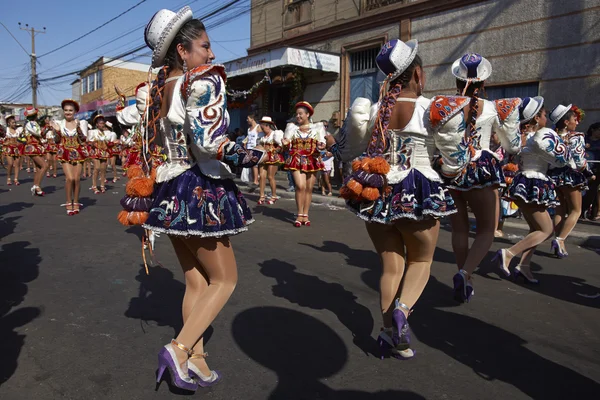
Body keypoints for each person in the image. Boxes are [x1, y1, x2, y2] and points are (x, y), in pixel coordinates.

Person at [117, 7, 265, 392]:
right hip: (201, 188)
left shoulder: (162, 87)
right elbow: (210, 141)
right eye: (205, 46)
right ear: (183, 51)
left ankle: (197, 361)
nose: (212, 55)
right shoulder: (201, 81)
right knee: (225, 280)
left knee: (196, 283)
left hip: (170, 187)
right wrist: (252, 154)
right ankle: (179, 348)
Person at [339, 39, 455, 359]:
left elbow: (350, 150)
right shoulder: (432, 107)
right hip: (418, 189)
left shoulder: (376, 110)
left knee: (390, 266)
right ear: (418, 74)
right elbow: (453, 159)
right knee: (421, 261)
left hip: (378, 190)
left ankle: (388, 331)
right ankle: (403, 311)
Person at [429, 53, 522, 302]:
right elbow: (511, 146)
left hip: (450, 169)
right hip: (482, 169)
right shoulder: (493, 108)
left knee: (458, 229)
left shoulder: (445, 106)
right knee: (487, 230)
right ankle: (465, 272)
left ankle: (464, 278)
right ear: (484, 84)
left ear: (457, 83)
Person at [493, 97, 569, 283]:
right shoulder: (542, 135)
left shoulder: (522, 137)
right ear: (536, 118)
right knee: (546, 230)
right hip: (534, 182)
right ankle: (509, 254)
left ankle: (524, 266)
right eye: (544, 115)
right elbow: (562, 159)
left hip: (523, 183)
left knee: (535, 228)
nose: (546, 119)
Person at [547, 104, 594, 257]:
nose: (577, 122)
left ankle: (558, 244)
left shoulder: (551, 136)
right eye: (575, 118)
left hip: (554, 175)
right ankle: (560, 240)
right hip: (570, 175)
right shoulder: (576, 136)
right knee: (576, 210)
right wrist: (588, 173)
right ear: (566, 122)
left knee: (559, 210)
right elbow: (579, 161)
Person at [283, 101, 326, 226]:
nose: (298, 116)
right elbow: (286, 143)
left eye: (300, 114)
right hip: (296, 158)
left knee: (308, 188)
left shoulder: (318, 127)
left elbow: (322, 143)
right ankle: (299, 212)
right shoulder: (291, 127)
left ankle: (304, 215)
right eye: (297, 114)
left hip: (312, 158)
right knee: (300, 186)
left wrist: (321, 146)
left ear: (307, 114)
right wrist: (285, 144)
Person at [52, 99, 89, 215]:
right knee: (70, 178)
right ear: (63, 111)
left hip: (78, 152)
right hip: (65, 152)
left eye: (70, 110)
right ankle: (69, 201)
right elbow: (57, 141)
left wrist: (78, 128)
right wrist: (57, 131)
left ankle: (76, 201)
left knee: (77, 179)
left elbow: (83, 139)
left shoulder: (81, 122)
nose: (68, 112)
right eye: (66, 110)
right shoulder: (59, 123)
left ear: (75, 111)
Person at [22, 107, 49, 196]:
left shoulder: (34, 123)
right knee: (44, 166)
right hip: (32, 147)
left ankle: (35, 186)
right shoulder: (30, 124)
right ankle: (37, 186)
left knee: (38, 168)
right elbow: (39, 133)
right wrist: (46, 128)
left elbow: (41, 136)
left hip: (36, 147)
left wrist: (46, 129)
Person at [257, 116, 283, 204]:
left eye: (263, 127)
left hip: (272, 157)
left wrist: (275, 151)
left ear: (267, 126)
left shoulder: (275, 134)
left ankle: (274, 195)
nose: (262, 128)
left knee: (270, 176)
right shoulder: (262, 136)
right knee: (261, 176)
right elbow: (259, 145)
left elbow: (281, 145)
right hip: (264, 156)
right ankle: (262, 196)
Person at [88, 115, 113, 193]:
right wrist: (94, 143)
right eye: (100, 123)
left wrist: (111, 143)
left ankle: (102, 185)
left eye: (103, 123)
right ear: (97, 124)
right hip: (95, 152)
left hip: (104, 153)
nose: (102, 125)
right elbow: (89, 142)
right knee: (97, 168)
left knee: (103, 170)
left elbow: (108, 144)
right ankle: (94, 186)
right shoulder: (93, 132)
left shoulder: (106, 133)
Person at [583, 122, 600, 220]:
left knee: (593, 190)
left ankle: (591, 210)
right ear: (593, 129)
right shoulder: (584, 139)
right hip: (584, 168)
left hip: (596, 169)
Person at [3, 115, 23, 185]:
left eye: (14, 122)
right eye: (12, 123)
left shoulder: (17, 130)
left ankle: (16, 179)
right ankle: (8, 177)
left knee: (17, 164)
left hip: (16, 148)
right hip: (9, 148)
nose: (14, 124)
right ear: (9, 123)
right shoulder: (6, 130)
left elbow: (21, 135)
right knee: (10, 164)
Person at [244, 113, 261, 186]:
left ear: (252, 119)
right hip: (249, 148)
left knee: (255, 165)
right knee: (252, 165)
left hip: (256, 148)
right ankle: (256, 178)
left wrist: (258, 146)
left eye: (248, 118)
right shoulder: (248, 129)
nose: (247, 120)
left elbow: (260, 137)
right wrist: (245, 144)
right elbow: (248, 138)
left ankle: (256, 181)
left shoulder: (258, 127)